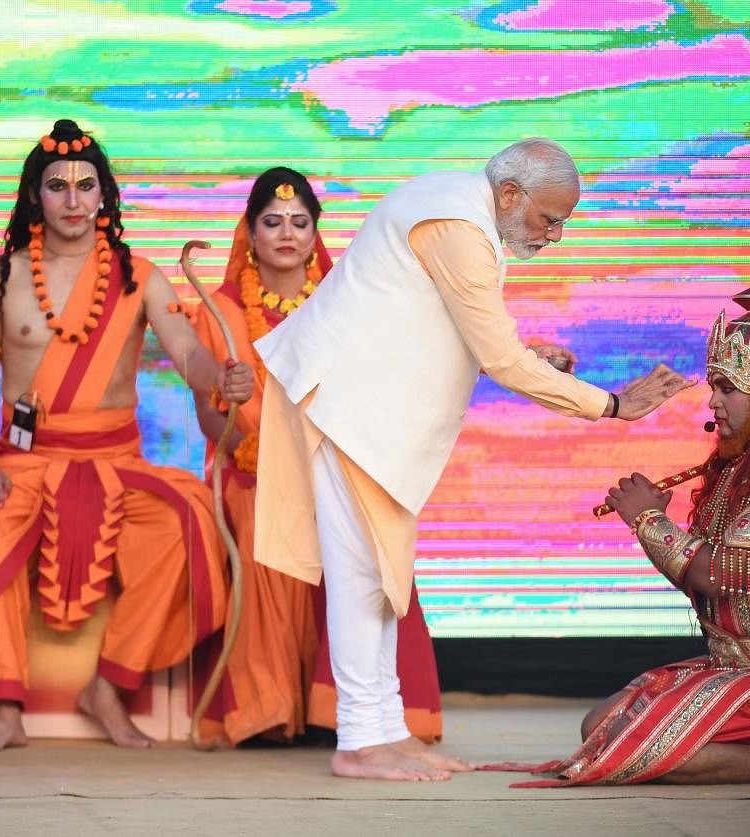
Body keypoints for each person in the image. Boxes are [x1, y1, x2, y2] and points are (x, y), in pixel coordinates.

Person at [252, 138, 692, 780]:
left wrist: (525, 350)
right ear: (510, 193)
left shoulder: (461, 204)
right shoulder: (458, 225)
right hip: (342, 402)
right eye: (550, 219)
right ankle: (358, 739)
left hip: (357, 406)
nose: (556, 235)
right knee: (359, 574)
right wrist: (613, 404)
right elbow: (497, 355)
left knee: (375, 577)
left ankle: (384, 730)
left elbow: (442, 319)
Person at [0, 119, 252, 753]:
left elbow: (188, 353)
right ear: (36, 196)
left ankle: (110, 687)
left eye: (87, 186)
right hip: (25, 461)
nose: (74, 199)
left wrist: (219, 373)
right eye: (58, 186)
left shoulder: (139, 275)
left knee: (189, 520)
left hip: (116, 459)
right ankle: (5, 706)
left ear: (105, 197)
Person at [507, 260, 750, 786]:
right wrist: (656, 524)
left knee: (639, 751)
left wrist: (649, 520)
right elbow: (713, 589)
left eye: (728, 388)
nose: (714, 401)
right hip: (738, 668)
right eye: (715, 386)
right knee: (600, 727)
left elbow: (721, 577)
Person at [185, 167, 444, 746]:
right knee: (259, 523)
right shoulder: (219, 311)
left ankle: (348, 714)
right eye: (272, 222)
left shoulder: (345, 301)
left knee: (365, 527)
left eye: (300, 222)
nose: (286, 234)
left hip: (338, 469)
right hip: (252, 473)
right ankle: (269, 708)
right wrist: (227, 402)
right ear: (249, 234)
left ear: (315, 232)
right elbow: (208, 422)